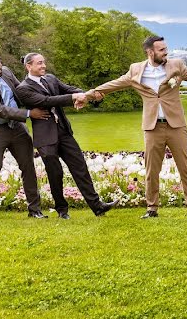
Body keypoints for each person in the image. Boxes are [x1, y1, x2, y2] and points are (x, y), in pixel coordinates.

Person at [90, 36, 187, 220]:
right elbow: (115, 84)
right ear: (150, 52)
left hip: (176, 126)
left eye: (166, 49)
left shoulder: (176, 66)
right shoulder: (136, 70)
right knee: (151, 170)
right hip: (152, 128)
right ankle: (152, 209)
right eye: (161, 50)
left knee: (186, 168)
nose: (166, 52)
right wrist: (89, 94)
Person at [15, 53, 116, 219]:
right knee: (55, 174)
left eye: (44, 63)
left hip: (63, 131)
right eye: (39, 63)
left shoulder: (51, 79)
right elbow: (46, 101)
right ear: (29, 66)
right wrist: (72, 97)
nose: (43, 66)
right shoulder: (23, 88)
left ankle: (98, 207)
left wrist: (86, 95)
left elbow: (69, 89)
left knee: (80, 168)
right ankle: (62, 210)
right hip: (45, 137)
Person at [0, 52, 50, 221]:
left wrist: (43, 102)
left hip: (18, 128)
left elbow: (21, 92)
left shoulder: (5, 71)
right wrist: (29, 113)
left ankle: (35, 210)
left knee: (28, 167)